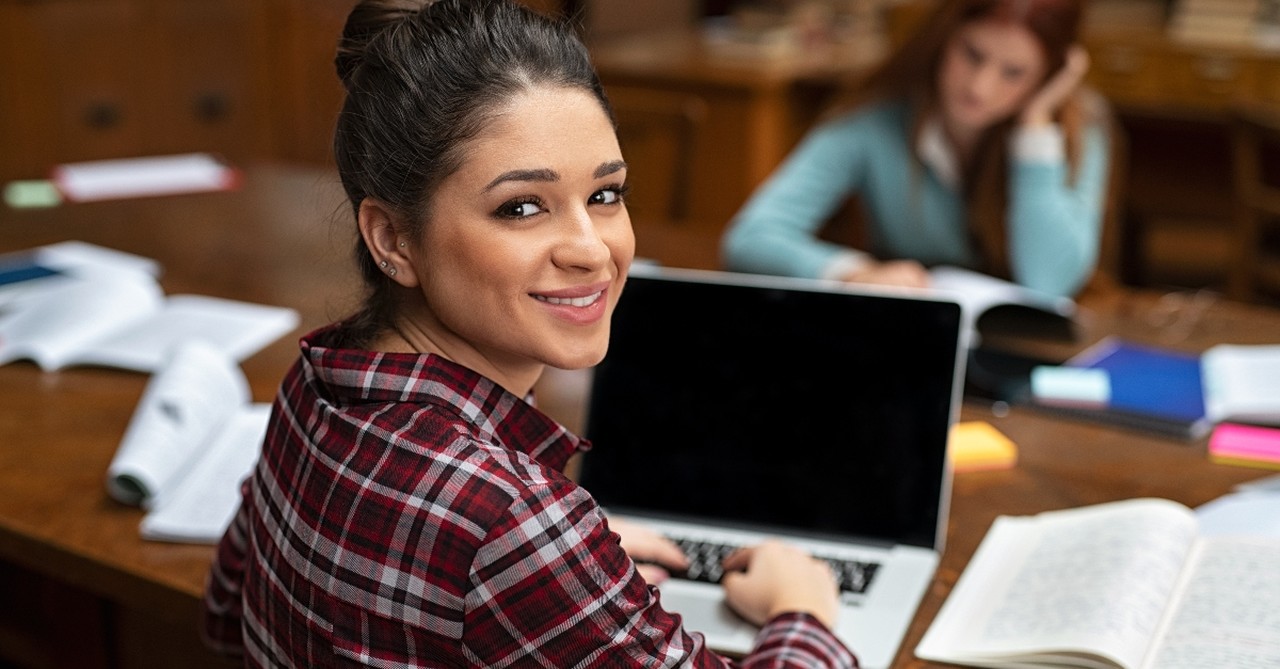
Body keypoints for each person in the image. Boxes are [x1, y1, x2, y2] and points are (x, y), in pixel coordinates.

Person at [200, 1, 856, 666]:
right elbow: (489, 527)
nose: (592, 251)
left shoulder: (316, 381)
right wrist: (802, 612)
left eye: (605, 194)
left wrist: (567, 571)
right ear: (392, 239)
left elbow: (228, 612)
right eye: (521, 207)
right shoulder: (510, 519)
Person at [720, 0, 1113, 298]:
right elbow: (752, 236)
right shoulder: (876, 116)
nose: (980, 87)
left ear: (1047, 76)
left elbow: (1050, 281)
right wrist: (853, 272)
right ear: (944, 37)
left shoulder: (1076, 129)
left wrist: (1035, 130)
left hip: (1019, 355)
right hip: (911, 336)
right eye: (972, 55)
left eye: (1014, 73)